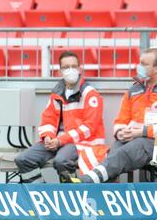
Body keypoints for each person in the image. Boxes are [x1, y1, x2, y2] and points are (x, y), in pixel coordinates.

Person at [63, 48, 157, 183]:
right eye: (140, 63)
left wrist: (141, 132)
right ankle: (106, 195)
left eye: (144, 64)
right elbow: (121, 119)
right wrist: (120, 132)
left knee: (122, 154)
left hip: (152, 141)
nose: (139, 67)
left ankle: (86, 182)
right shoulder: (133, 90)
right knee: (113, 152)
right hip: (130, 138)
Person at [14, 51, 109, 183]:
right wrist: (48, 136)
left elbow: (89, 128)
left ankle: (71, 193)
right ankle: (39, 193)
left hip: (80, 142)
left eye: (74, 66)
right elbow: (48, 119)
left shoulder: (90, 94)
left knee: (61, 161)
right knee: (23, 159)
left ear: (80, 69)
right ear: (60, 72)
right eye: (66, 67)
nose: (70, 70)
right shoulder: (57, 93)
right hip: (57, 141)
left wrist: (60, 140)